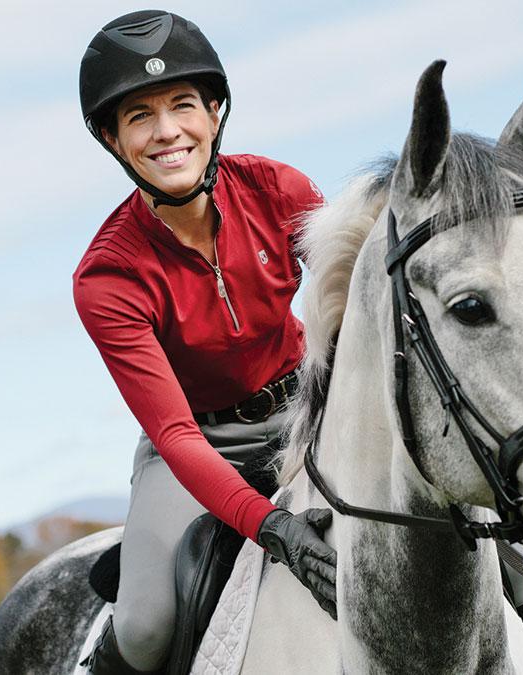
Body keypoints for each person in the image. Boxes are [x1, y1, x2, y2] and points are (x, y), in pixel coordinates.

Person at [74, 10, 337, 674]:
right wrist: (271, 527)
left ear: (214, 113)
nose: (166, 131)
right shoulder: (106, 276)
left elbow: (354, 309)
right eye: (138, 116)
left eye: (182, 104)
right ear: (112, 138)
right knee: (142, 627)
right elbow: (176, 433)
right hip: (194, 441)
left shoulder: (282, 190)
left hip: (307, 404)